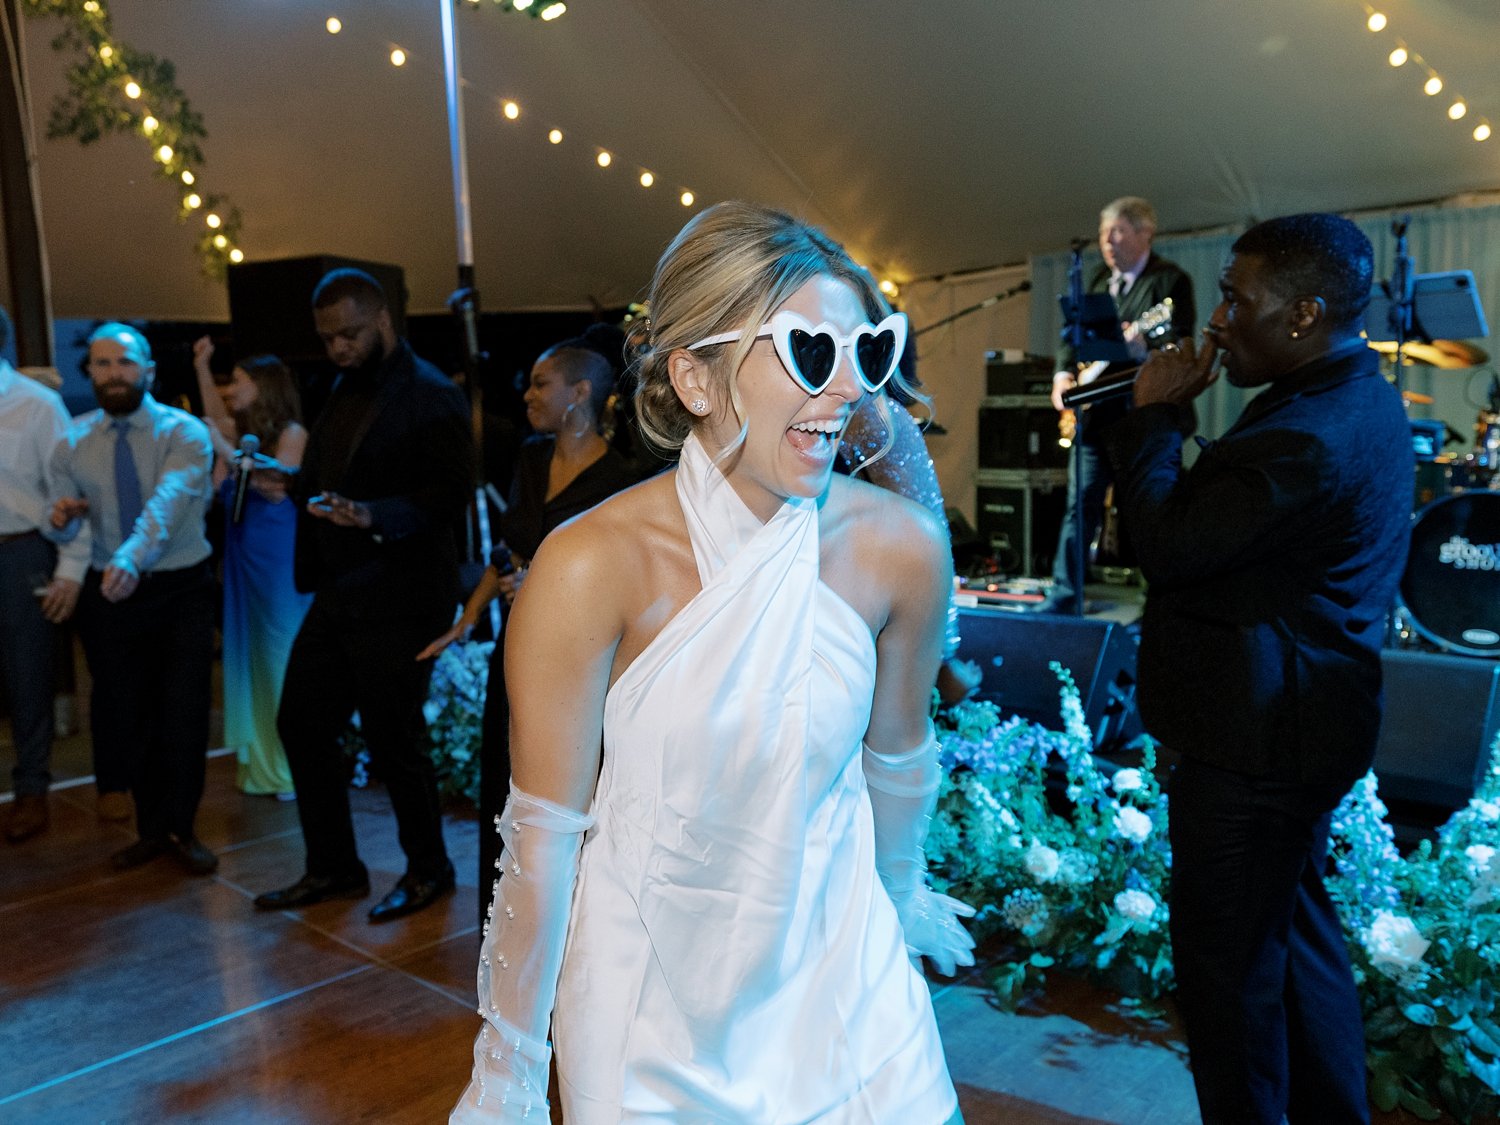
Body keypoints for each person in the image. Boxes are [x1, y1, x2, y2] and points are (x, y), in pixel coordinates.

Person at [451, 202, 973, 1123]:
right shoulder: (589, 566)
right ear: (694, 376)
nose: (850, 389)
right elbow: (542, 831)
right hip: (648, 997)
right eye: (813, 352)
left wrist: (895, 918)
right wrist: (509, 1063)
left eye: (868, 353)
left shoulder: (901, 548)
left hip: (840, 970)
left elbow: (898, 755)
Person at [1106, 213, 1410, 1123]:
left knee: (1230, 984)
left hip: (1254, 744)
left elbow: (1164, 543)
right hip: (1294, 734)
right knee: (1297, 945)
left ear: (1306, 313)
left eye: (1238, 300)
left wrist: (1156, 416)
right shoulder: (1347, 394)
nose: (1219, 321)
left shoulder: (1309, 432)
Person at [255, 268, 474, 923]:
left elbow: (449, 496)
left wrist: (373, 515)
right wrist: (289, 484)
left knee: (393, 737)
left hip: (403, 594)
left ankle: (430, 868)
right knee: (301, 720)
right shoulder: (340, 386)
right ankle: (334, 866)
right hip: (341, 591)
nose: (338, 348)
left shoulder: (433, 393)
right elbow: (332, 478)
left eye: (349, 334)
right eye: (327, 338)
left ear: (382, 321)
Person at [418, 324, 639, 929]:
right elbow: (508, 553)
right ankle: (504, 919)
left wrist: (540, 582)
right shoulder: (531, 458)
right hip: (516, 645)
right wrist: (466, 620)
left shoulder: (620, 478)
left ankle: (566, 918)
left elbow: (619, 574)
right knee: (502, 779)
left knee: (561, 784)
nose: (527, 395)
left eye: (542, 384)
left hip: (576, 656)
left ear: (580, 393)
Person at [49, 322, 218, 875]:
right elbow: (65, 523)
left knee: (184, 712)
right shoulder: (72, 441)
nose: (114, 373)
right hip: (111, 596)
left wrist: (129, 556)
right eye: (102, 364)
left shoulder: (185, 432)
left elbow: (168, 504)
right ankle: (150, 829)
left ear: (148, 369)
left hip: (180, 588)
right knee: (129, 714)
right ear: (90, 373)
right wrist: (61, 521)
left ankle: (183, 828)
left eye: (124, 362)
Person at [1045, 195, 1195, 613]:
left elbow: (1179, 341)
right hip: (1096, 418)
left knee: (1148, 508)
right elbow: (1069, 337)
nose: (1108, 243)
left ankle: (1159, 602)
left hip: (1142, 416)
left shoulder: (1170, 282)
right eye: (1103, 234)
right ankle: (1064, 597)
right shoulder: (1094, 280)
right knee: (1080, 507)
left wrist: (1144, 346)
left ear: (1144, 232)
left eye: (1117, 233)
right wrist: (1062, 376)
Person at [192, 338, 310, 798]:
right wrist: (201, 364)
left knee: (281, 652)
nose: (229, 390)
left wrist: (223, 446)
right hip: (243, 556)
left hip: (278, 555)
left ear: (262, 386)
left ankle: (292, 764)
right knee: (252, 654)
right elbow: (212, 418)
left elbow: (280, 481)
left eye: (237, 381)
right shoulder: (242, 432)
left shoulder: (291, 432)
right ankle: (262, 761)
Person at [0, 305, 87, 843]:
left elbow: (69, 496)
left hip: (20, 553)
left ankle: (32, 789)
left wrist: (71, 569)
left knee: (26, 676)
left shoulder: (37, 405)